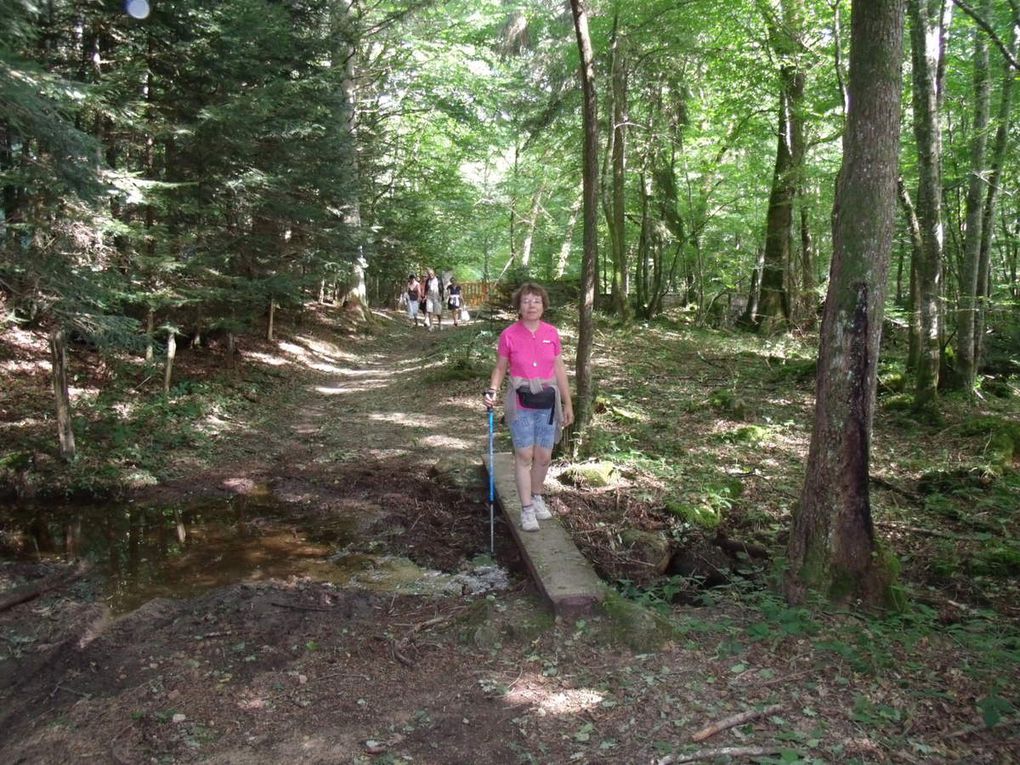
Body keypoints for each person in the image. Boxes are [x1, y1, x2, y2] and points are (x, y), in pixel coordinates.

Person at [484, 282, 574, 532]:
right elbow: (501, 368)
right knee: (524, 455)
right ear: (519, 307)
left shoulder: (552, 333)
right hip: (520, 400)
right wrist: (492, 390)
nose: (531, 305)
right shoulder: (509, 335)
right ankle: (526, 509)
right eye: (526, 301)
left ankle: (536, 497)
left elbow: (559, 369)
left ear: (543, 305)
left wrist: (568, 403)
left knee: (544, 456)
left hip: (548, 401)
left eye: (536, 300)